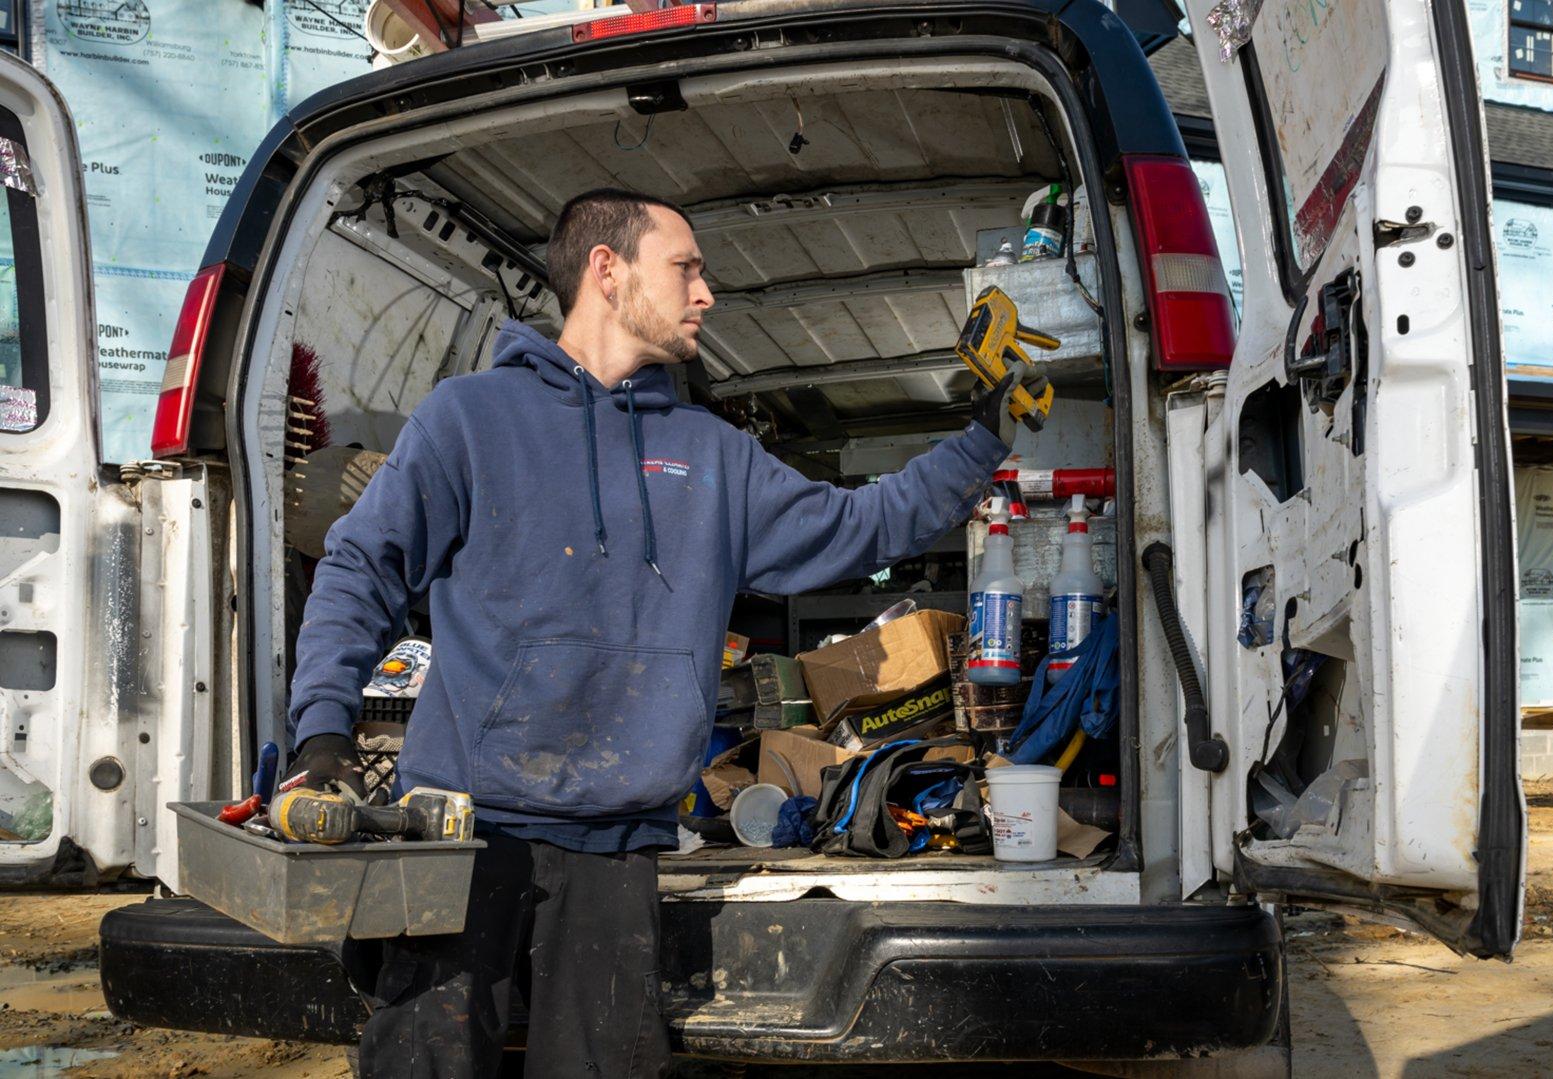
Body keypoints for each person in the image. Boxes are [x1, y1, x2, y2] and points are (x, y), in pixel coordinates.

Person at [284, 188, 1046, 1077]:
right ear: (606, 271)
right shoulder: (468, 419)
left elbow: (855, 527)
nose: (707, 293)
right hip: (458, 836)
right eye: (686, 267)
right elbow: (360, 565)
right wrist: (324, 731)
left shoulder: (712, 452)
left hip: (618, 847)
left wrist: (980, 436)